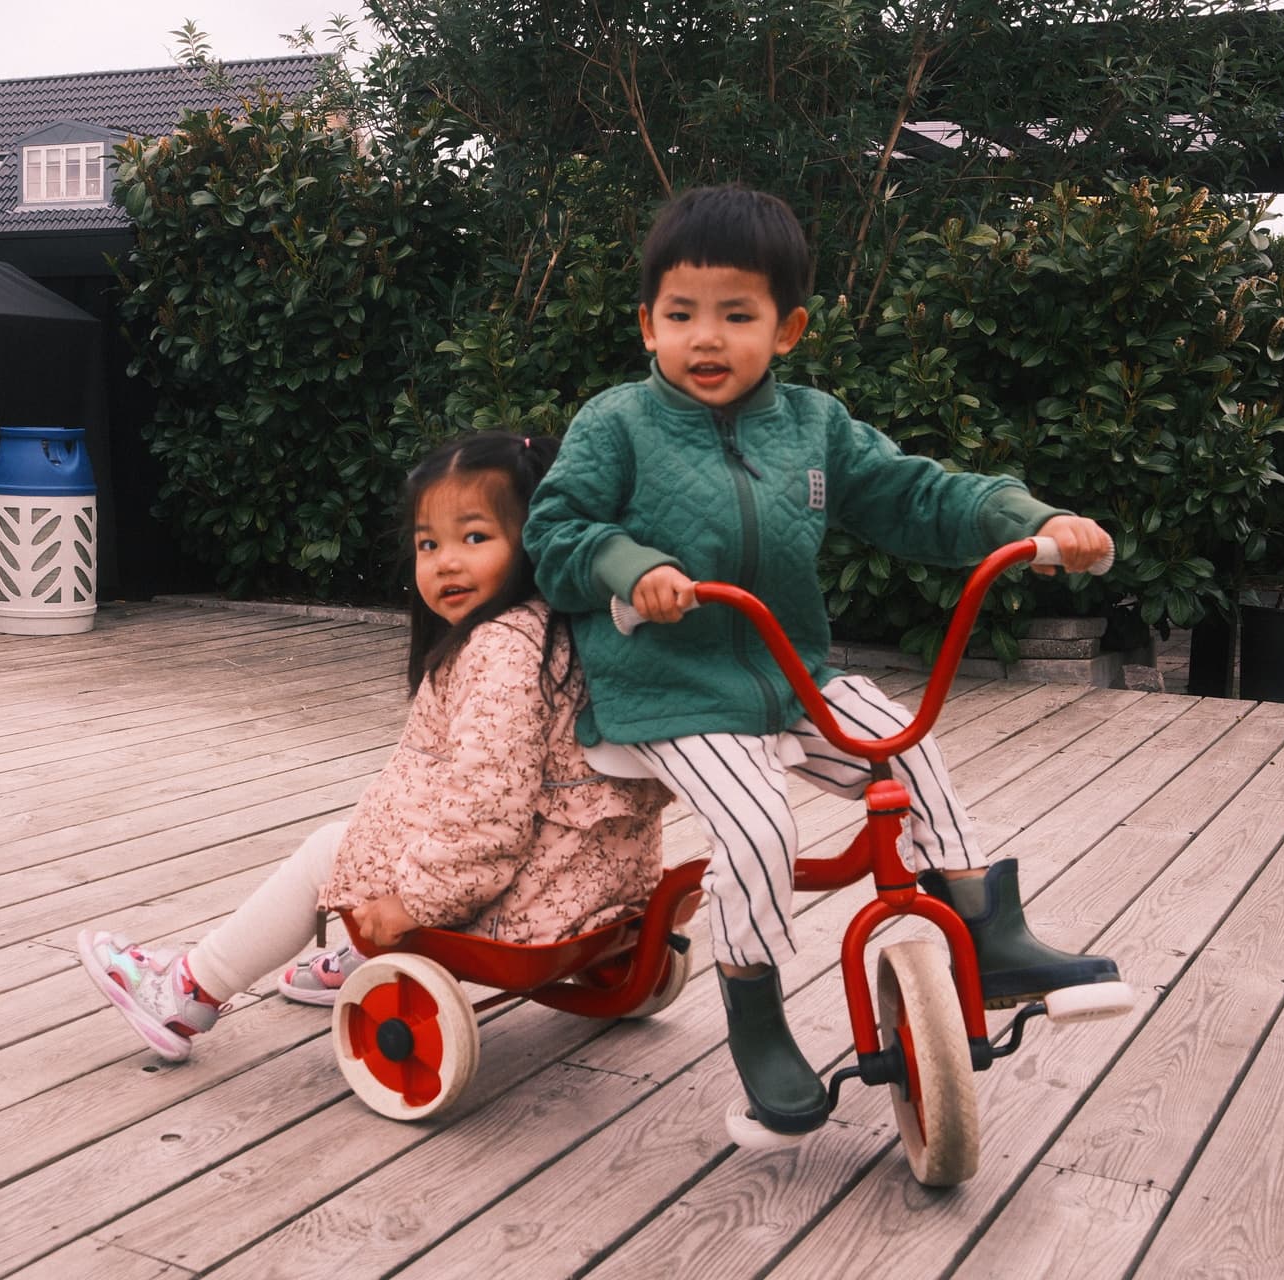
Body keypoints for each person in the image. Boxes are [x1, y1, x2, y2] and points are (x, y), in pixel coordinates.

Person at [523, 184, 1122, 1137]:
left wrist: (1032, 520)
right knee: (758, 829)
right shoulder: (616, 425)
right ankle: (757, 1012)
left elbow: (912, 494)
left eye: (736, 315)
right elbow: (555, 532)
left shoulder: (813, 425)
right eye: (680, 315)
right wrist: (631, 569)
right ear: (647, 324)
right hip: (672, 692)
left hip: (789, 675)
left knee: (899, 738)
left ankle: (982, 925)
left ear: (788, 328)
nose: (705, 339)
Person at [78, 431, 672, 1061]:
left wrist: (412, 903)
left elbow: (486, 816)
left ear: (535, 540)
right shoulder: (570, 630)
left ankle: (187, 992)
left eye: (475, 537)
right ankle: (357, 954)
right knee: (388, 823)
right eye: (428, 543)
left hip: (525, 904)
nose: (445, 561)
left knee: (327, 852)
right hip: (595, 885)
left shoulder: (502, 648)